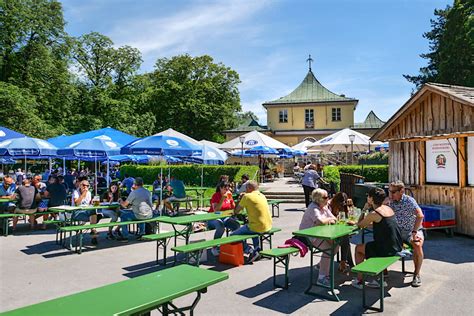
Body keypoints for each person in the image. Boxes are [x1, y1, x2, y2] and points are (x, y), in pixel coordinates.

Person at [351, 188, 402, 289]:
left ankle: (360, 280)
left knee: (358, 249)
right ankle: (378, 278)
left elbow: (360, 225)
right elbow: (382, 224)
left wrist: (364, 209)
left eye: (368, 196)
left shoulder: (374, 214)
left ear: (371, 199)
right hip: (397, 245)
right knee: (371, 245)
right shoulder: (388, 208)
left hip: (387, 250)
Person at [388, 180, 424, 287]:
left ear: (401, 191)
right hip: (397, 233)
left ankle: (416, 274)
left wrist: (414, 231)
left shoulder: (409, 201)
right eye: (389, 191)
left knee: (417, 245)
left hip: (410, 231)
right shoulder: (390, 202)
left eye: (393, 192)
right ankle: (383, 274)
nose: (390, 194)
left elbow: (420, 215)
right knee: (381, 241)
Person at [298, 188, 337, 286]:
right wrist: (329, 219)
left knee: (336, 246)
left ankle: (321, 265)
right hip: (308, 236)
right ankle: (322, 278)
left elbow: (334, 218)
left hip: (320, 234)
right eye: (325, 197)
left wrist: (328, 219)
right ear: (318, 199)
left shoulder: (324, 207)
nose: (328, 198)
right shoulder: (313, 208)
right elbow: (320, 222)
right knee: (328, 250)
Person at [231, 181, 272, 263]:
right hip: (268, 225)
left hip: (256, 227)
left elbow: (236, 211)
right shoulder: (262, 196)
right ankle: (257, 248)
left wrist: (240, 199)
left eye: (246, 188)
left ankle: (250, 251)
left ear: (249, 188)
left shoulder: (247, 196)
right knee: (252, 225)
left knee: (232, 235)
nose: (245, 190)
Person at [207, 181, 240, 256]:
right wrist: (222, 199)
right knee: (221, 227)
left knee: (236, 225)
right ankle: (214, 247)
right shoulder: (216, 195)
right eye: (225, 188)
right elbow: (215, 210)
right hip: (213, 217)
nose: (227, 189)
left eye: (228, 187)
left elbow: (233, 208)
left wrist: (238, 201)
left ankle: (232, 244)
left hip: (224, 217)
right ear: (220, 188)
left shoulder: (229, 195)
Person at [118, 177, 153, 242]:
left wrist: (120, 201)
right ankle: (141, 234)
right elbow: (151, 204)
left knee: (123, 216)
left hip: (139, 215)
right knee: (141, 213)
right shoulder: (148, 192)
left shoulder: (134, 193)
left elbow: (124, 205)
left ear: (134, 184)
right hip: (149, 214)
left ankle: (125, 236)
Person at [328, 192, 354, 273]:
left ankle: (345, 263)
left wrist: (351, 206)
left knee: (345, 238)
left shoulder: (343, 205)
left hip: (338, 230)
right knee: (345, 239)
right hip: (329, 232)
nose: (341, 205)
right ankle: (346, 263)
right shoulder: (329, 206)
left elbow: (350, 216)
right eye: (340, 203)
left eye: (343, 203)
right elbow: (330, 220)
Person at [71, 180, 100, 245]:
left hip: (86, 212)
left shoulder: (89, 193)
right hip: (77, 212)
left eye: (87, 186)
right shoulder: (76, 192)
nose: (85, 187)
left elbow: (88, 204)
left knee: (93, 211)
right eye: (84, 185)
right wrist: (83, 194)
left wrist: (92, 202)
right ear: (80, 185)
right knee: (94, 216)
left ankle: (93, 231)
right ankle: (93, 232)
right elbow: (77, 204)